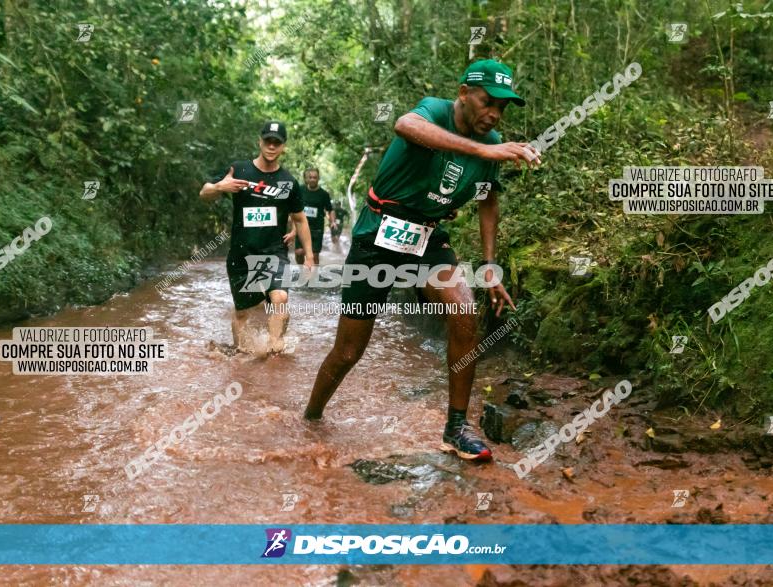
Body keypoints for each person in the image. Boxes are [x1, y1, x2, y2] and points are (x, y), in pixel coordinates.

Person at [303, 60, 541, 460]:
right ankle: (310, 417)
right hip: (378, 234)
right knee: (348, 352)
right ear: (464, 93)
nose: (495, 114)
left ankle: (456, 428)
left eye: (502, 108)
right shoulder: (434, 110)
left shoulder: (492, 141)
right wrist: (485, 149)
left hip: (428, 239)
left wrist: (488, 264)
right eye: (488, 102)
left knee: (464, 311)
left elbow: (488, 201)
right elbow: (404, 125)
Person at [199, 121, 314, 355]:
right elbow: (204, 193)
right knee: (242, 313)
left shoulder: (288, 182)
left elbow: (300, 219)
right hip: (242, 252)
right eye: (267, 141)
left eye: (277, 142)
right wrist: (221, 186)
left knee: (279, 297)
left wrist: (310, 256)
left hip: (274, 251)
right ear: (259, 142)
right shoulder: (239, 170)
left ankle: (274, 353)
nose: (271, 146)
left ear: (283, 147)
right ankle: (240, 353)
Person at [291, 168, 334, 265]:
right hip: (301, 226)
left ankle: (314, 275)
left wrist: (333, 222)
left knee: (314, 255)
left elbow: (330, 210)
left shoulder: (324, 194)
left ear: (318, 178)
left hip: (316, 228)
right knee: (299, 253)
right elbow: (293, 205)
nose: (312, 179)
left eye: (315, 177)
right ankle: (301, 271)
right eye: (310, 177)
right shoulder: (300, 190)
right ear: (306, 179)